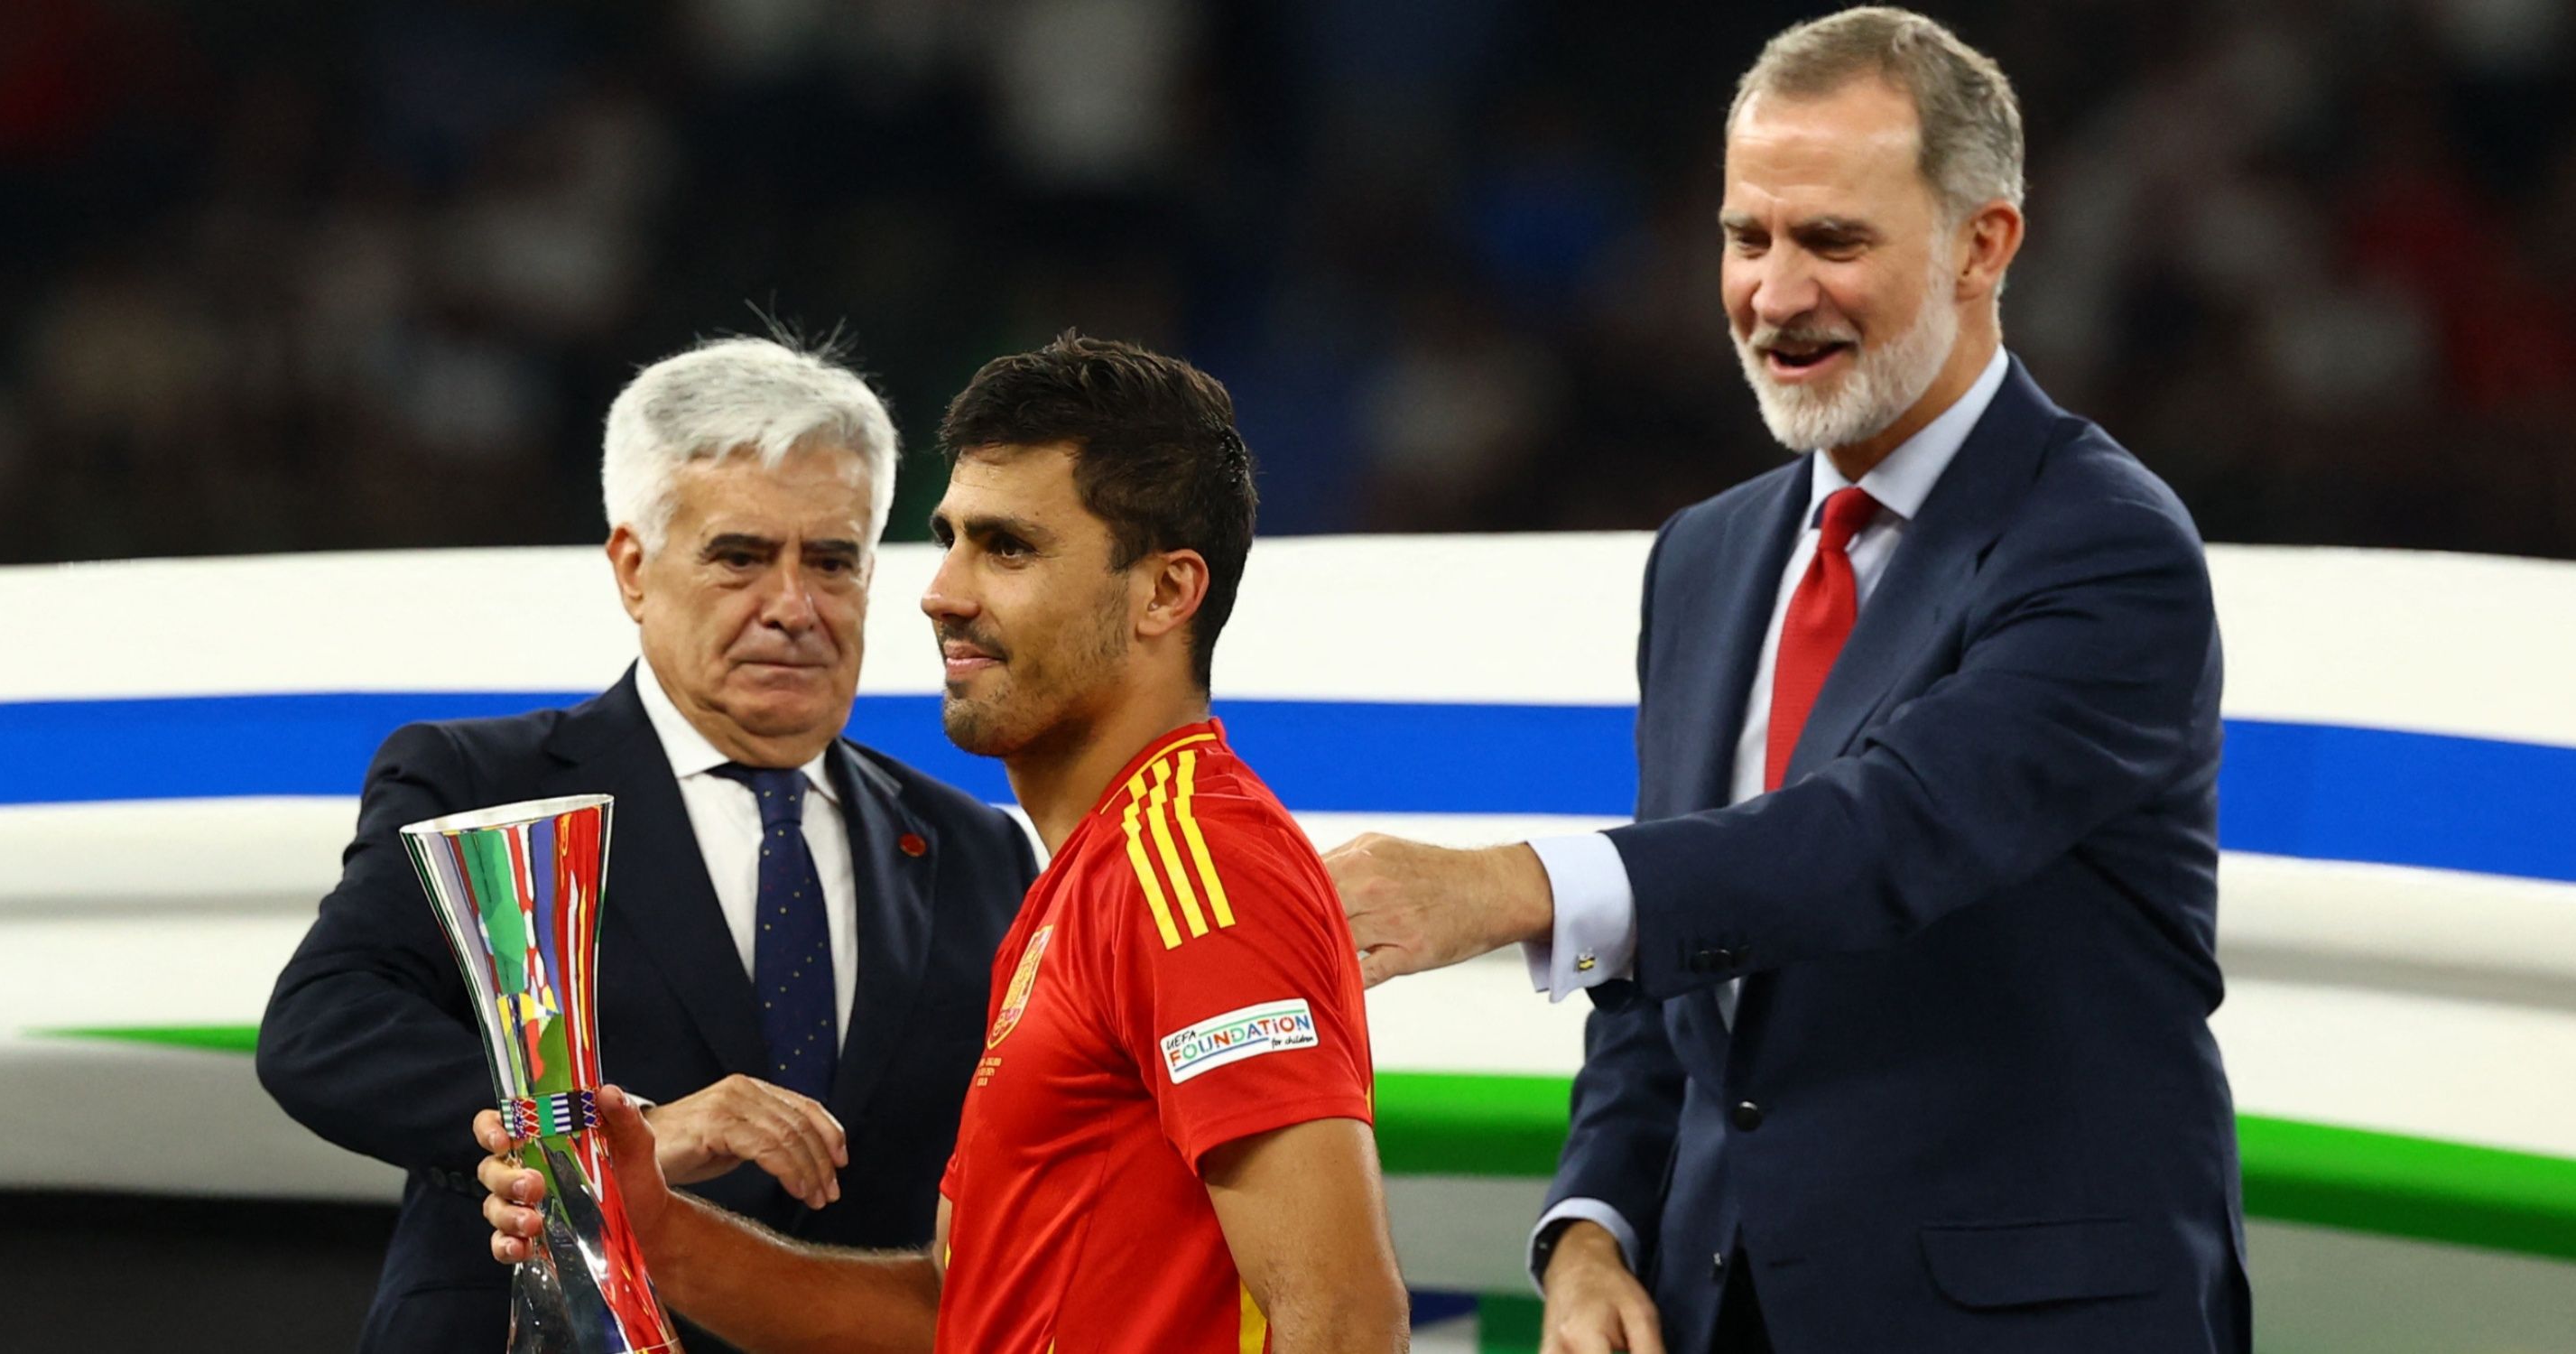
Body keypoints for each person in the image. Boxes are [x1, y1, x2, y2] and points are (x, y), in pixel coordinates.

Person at [1328, 10, 2247, 1353]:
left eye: (1832, 241)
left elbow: (1880, 837)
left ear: (1983, 245)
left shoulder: (2106, 545)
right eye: (1744, 236)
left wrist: (1513, 885)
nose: (1772, 293)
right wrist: (1594, 1228)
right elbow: (1670, 951)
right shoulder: (1705, 560)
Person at [478, 335, 1410, 1353]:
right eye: (949, 537)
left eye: (1009, 548)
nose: (941, 590)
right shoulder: (1070, 887)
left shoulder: (1194, 865)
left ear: (1166, 593)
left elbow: (1345, 1317)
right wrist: (653, 1227)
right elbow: (956, 1312)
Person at [256, 337, 1040, 1354]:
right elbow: (324, 1027)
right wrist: (616, 1132)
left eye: (834, 560)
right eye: (741, 557)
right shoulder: (482, 786)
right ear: (633, 567)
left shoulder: (980, 851)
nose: (794, 607)